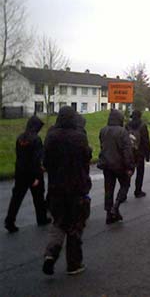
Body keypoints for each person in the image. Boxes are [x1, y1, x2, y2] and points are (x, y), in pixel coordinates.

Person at [42, 106, 92, 275]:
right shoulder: (79, 137)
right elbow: (86, 159)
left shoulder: (51, 136)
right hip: (76, 187)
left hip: (56, 187)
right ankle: (74, 263)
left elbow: (46, 162)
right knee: (75, 226)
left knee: (58, 223)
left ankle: (51, 252)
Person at [4, 116, 51, 233]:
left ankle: (9, 221)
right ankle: (41, 218)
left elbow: (19, 157)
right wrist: (36, 176)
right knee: (38, 198)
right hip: (33, 173)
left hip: (20, 173)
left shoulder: (20, 138)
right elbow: (36, 159)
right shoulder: (36, 139)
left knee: (16, 198)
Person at [98, 109, 135, 224]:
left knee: (109, 189)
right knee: (125, 185)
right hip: (120, 165)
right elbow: (127, 151)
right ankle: (116, 206)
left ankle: (109, 213)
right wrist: (130, 166)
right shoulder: (122, 132)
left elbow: (102, 146)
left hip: (106, 164)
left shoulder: (103, 131)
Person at [125, 110, 150, 198]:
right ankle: (138, 191)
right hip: (140, 152)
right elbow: (146, 141)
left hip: (129, 152)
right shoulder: (143, 126)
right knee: (140, 173)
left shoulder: (127, 125)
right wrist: (147, 155)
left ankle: (124, 192)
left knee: (128, 172)